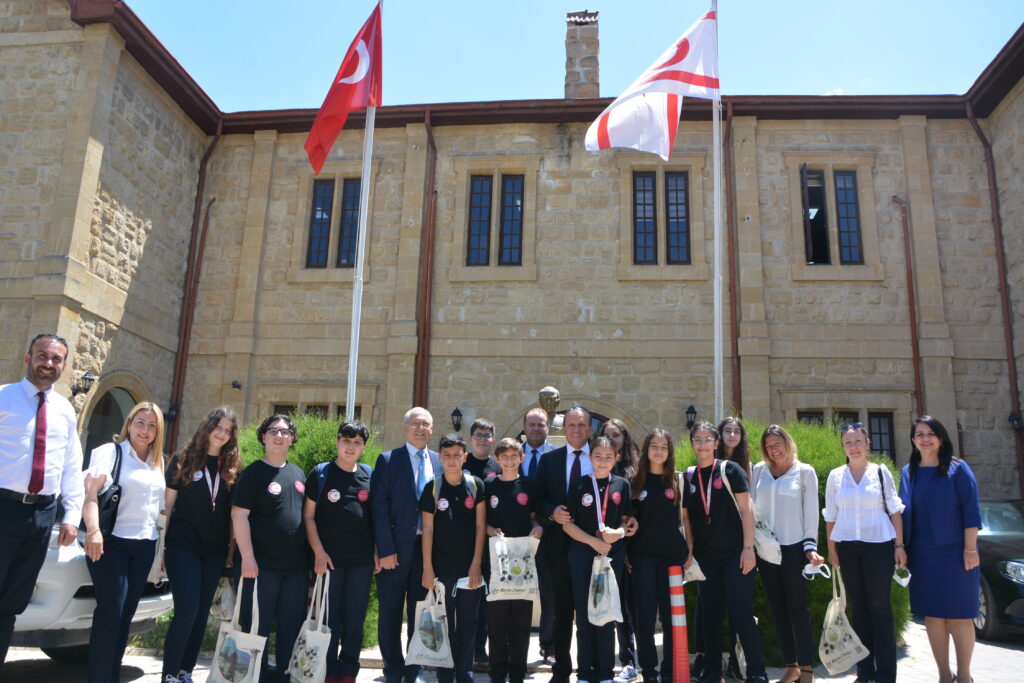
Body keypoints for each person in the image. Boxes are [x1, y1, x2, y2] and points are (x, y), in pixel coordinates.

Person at [0, 333, 84, 669]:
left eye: (56, 359)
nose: (48, 364)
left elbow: (70, 465)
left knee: (12, 604)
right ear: (27, 357)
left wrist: (72, 515)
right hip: (3, 508)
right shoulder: (4, 398)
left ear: (63, 365)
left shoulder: (64, 410)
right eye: (42, 356)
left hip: (41, 515)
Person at [82, 402, 166, 683]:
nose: (145, 430)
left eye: (152, 425)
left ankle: (111, 676)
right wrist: (93, 531)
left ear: (158, 431)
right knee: (112, 612)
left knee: (126, 615)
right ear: (129, 423)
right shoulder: (111, 453)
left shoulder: (157, 461)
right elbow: (90, 496)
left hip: (143, 545)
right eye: (140, 422)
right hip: (111, 543)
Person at [681, 422, 768, 683]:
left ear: (716, 443)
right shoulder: (688, 476)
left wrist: (748, 549)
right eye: (698, 439)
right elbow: (686, 519)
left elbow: (746, 510)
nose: (703, 444)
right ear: (692, 443)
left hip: (735, 554)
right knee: (711, 614)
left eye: (708, 439)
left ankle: (756, 672)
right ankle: (713, 671)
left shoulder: (730, 470)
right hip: (706, 557)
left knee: (741, 613)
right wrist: (689, 551)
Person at [898, 416, 981, 683]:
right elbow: (899, 512)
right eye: (919, 434)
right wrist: (900, 547)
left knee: (959, 616)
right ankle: (944, 675)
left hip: (957, 554)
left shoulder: (959, 469)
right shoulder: (907, 472)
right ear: (913, 441)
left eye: (931, 433)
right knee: (933, 616)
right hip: (921, 555)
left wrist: (970, 550)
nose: (925, 438)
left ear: (941, 438)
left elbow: (971, 512)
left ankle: (965, 676)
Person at [162, 407, 241, 683]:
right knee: (186, 610)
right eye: (217, 426)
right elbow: (168, 507)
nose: (221, 433)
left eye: (227, 430)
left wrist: (231, 551)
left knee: (200, 613)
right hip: (183, 546)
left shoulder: (232, 468)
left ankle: (185, 671)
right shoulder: (183, 460)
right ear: (207, 427)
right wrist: (161, 548)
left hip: (214, 551)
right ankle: (169, 673)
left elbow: (233, 516)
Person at [824, 423, 906, 683]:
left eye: (858, 441)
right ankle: (864, 672)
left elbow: (894, 511)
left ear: (868, 443)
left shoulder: (881, 473)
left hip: (879, 546)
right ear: (843, 447)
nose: (854, 447)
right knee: (858, 610)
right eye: (848, 443)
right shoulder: (836, 476)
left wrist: (899, 546)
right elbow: (831, 517)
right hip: (848, 548)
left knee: (880, 609)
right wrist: (831, 549)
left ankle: (885, 675)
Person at [231, 414, 308, 683]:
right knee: (256, 629)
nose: (279, 436)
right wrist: (248, 558)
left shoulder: (298, 474)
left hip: (295, 569)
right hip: (261, 567)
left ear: (292, 439)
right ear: (263, 436)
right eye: (273, 431)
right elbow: (239, 516)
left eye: (285, 432)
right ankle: (256, 677)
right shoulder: (253, 474)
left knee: (290, 628)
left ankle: (286, 677)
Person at [304, 420, 377, 683]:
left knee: (354, 620)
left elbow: (375, 518)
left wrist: (378, 551)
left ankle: (348, 673)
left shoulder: (369, 475)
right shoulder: (321, 474)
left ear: (363, 447)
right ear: (338, 442)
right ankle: (326, 671)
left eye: (357, 442)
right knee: (329, 619)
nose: (351, 446)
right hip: (329, 562)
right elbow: (309, 517)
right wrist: (319, 553)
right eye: (346, 440)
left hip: (361, 562)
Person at [372, 407, 442, 683]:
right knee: (389, 612)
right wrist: (385, 549)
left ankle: (414, 669)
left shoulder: (439, 461)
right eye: (415, 423)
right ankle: (392, 669)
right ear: (405, 427)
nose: (420, 428)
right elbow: (379, 507)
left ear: (432, 429)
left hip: (427, 552)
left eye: (426, 424)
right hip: (396, 550)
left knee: (420, 613)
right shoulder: (388, 460)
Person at [750, 425, 823, 683]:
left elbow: (811, 511)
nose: (773, 449)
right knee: (778, 610)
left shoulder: (804, 472)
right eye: (768, 445)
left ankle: (807, 670)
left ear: (787, 442)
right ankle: (790, 666)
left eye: (777, 443)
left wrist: (810, 546)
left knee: (798, 609)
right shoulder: (758, 471)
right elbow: (750, 510)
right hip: (766, 550)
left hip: (795, 548)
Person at [563, 436, 633, 683]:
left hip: (612, 558)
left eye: (608, 457)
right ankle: (584, 673)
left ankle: (605, 672)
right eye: (597, 456)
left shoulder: (622, 485)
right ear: (590, 457)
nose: (602, 462)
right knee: (583, 615)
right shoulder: (579, 484)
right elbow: (567, 525)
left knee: (606, 615)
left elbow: (627, 520)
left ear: (615, 459)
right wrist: (593, 542)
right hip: (583, 556)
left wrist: (619, 533)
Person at [419, 433, 486, 683]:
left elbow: (481, 527)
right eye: (446, 455)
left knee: (469, 623)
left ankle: (464, 672)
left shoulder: (476, 485)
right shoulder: (433, 487)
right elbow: (427, 530)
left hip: (470, 569)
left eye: (457, 455)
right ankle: (445, 673)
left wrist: (477, 563)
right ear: (440, 457)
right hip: (441, 570)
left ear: (464, 457)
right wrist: (427, 568)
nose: (451, 460)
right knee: (444, 623)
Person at [535, 406, 594, 683]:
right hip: (557, 549)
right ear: (564, 428)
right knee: (560, 613)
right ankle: (561, 671)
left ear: (590, 429)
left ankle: (587, 669)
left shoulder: (600, 458)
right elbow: (539, 497)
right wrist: (551, 512)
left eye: (582, 425)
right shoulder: (550, 460)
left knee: (588, 613)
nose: (577, 429)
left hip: (591, 549)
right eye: (572, 425)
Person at [628, 428, 688, 683]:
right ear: (646, 450)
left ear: (669, 452)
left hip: (673, 560)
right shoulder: (634, 483)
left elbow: (686, 520)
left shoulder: (678, 481)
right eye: (654, 445)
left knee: (671, 618)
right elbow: (627, 524)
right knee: (644, 618)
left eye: (664, 447)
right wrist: (626, 556)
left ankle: (668, 672)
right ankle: (649, 672)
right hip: (641, 559)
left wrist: (690, 551)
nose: (659, 451)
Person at [484, 438, 542, 683]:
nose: (509, 461)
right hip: (496, 564)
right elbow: (481, 521)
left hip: (523, 564)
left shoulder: (530, 485)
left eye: (514, 456)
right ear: (497, 459)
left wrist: (537, 527)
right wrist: (491, 531)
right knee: (496, 624)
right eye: (504, 457)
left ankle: (517, 674)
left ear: (522, 458)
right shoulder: (488, 485)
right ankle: (497, 674)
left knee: (520, 624)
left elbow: (534, 517)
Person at [597, 419, 639, 683]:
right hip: (600, 548)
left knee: (625, 608)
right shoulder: (598, 472)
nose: (612, 438)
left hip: (628, 547)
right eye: (607, 435)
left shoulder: (634, 472)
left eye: (617, 434)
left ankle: (628, 660)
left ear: (624, 438)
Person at [519, 408, 556, 664]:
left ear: (548, 427)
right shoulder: (511, 453)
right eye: (531, 425)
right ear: (524, 427)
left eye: (540, 425)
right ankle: (512, 646)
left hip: (549, 533)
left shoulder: (557, 455)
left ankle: (549, 646)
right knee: (513, 591)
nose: (535, 429)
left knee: (550, 592)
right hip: (514, 533)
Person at [465, 417, 500, 666]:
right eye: (478, 434)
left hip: (489, 546)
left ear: (493, 440)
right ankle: (460, 648)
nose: (482, 439)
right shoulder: (460, 463)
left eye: (487, 435)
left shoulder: (497, 468)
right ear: (470, 439)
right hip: (461, 542)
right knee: (463, 598)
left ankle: (479, 649)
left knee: (486, 600)